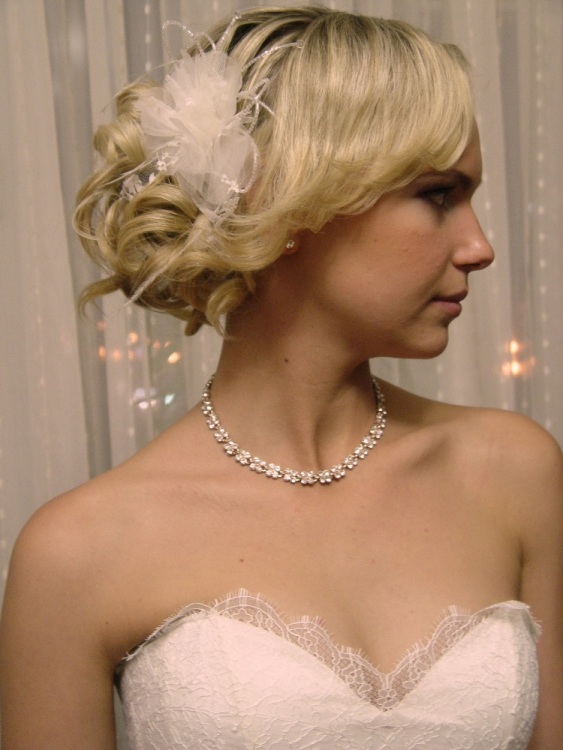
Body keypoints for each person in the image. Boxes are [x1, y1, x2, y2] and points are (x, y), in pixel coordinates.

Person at [1, 6, 561, 749]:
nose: (479, 246)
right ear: (292, 200)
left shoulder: (514, 472)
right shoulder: (79, 549)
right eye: (438, 195)